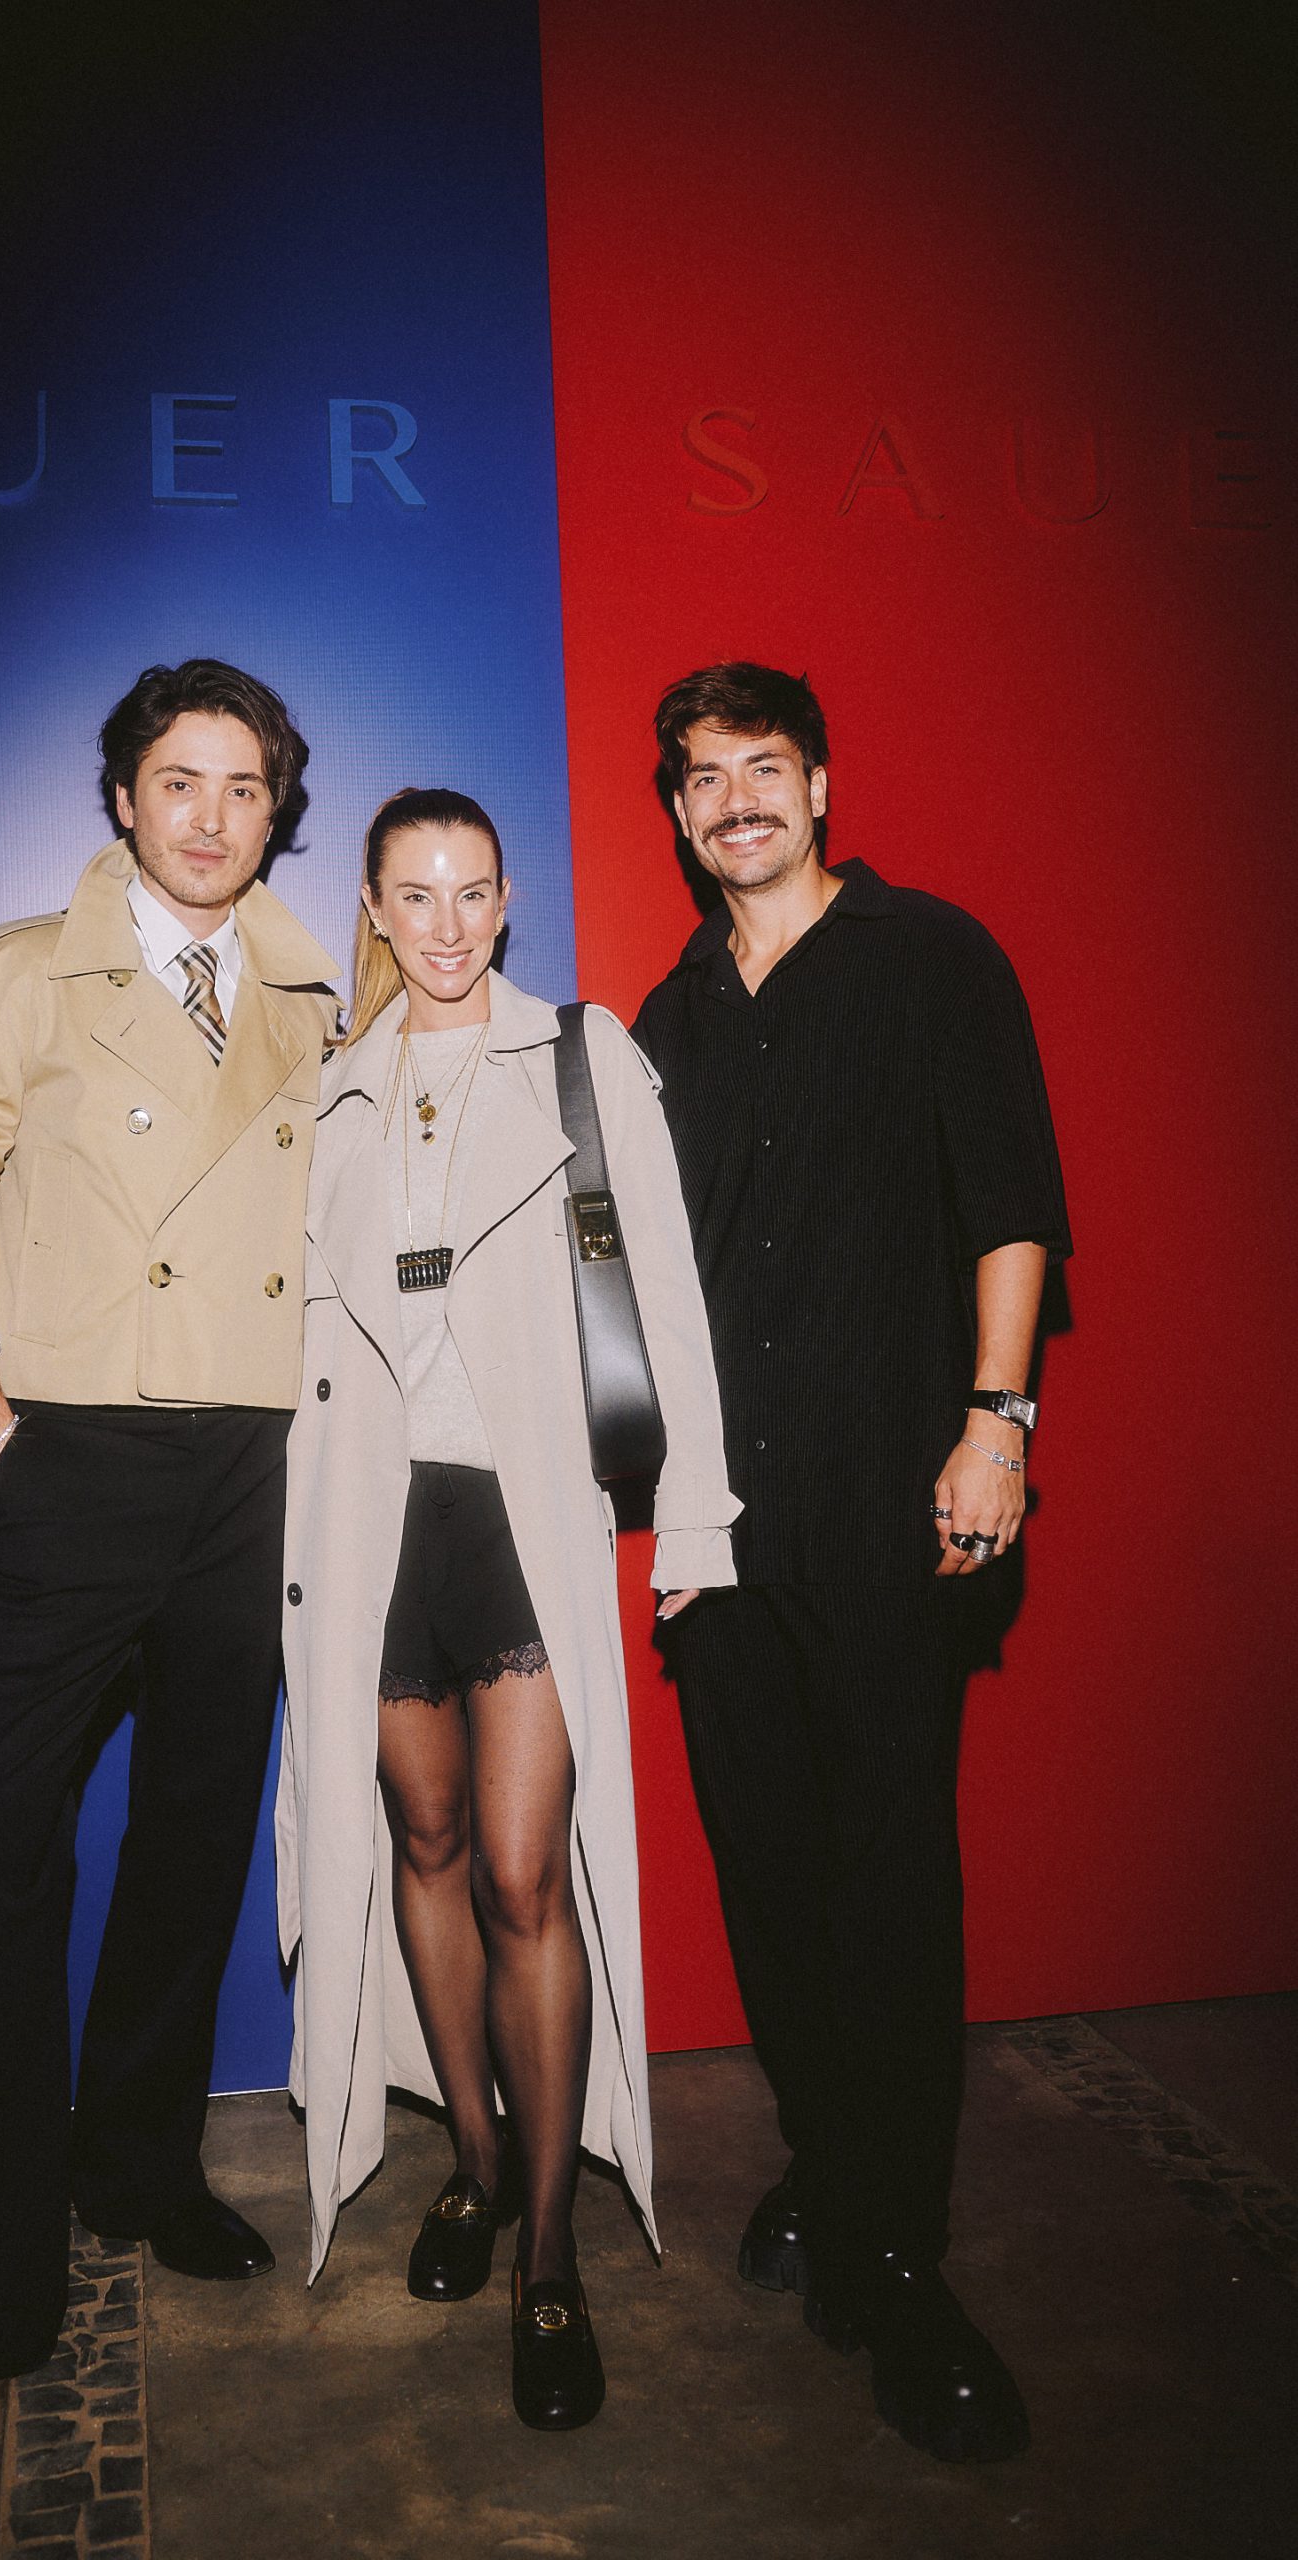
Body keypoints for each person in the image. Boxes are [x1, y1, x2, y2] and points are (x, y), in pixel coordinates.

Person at [0, 659, 339, 2487]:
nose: (212, 816)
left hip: (255, 1464)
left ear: (277, 810)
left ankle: (135, 2166)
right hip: (71, 1456)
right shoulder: (20, 975)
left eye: (245, 786)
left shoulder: (315, 988)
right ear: (123, 796)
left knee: (196, 1837)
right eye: (178, 780)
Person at [632, 662, 1071, 2464]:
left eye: (764, 766)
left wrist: (998, 1422)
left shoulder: (935, 958)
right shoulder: (664, 1020)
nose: (735, 797)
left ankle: (903, 2258)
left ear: (820, 784)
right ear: (677, 812)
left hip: (898, 1501)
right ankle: (826, 2162)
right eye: (703, 776)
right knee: (769, 1869)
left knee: (887, 1873)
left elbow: (1014, 1206)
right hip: (721, 1526)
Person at [276, 787, 739, 2430]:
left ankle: (550, 2250)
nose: (448, 924)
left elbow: (666, 1290)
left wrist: (697, 1512)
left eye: (473, 891)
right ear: (376, 910)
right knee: (422, 1846)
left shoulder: (580, 1059)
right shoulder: (334, 1088)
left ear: (508, 898)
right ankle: (470, 2163)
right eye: (416, 894)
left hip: (517, 1523)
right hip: (374, 1529)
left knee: (530, 1873)